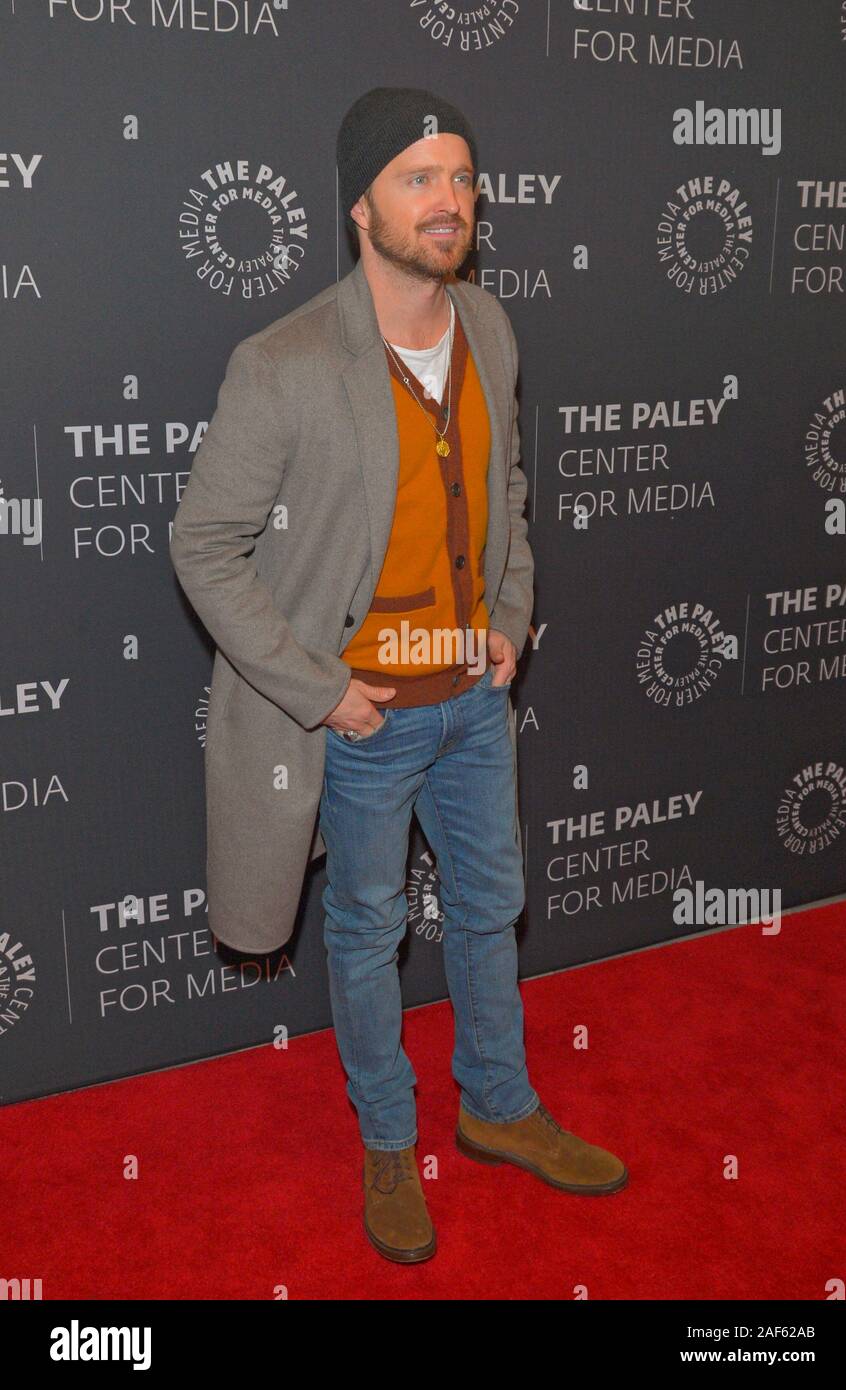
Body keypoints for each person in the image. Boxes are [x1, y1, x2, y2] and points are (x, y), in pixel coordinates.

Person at [170, 86, 627, 1267]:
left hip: (473, 703)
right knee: (367, 934)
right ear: (361, 200)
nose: (448, 202)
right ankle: (388, 1140)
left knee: (488, 910)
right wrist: (320, 691)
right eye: (419, 178)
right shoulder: (283, 362)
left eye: (463, 178)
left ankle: (498, 1104)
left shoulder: (490, 326)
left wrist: (511, 614)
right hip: (364, 718)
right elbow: (202, 546)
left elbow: (509, 493)